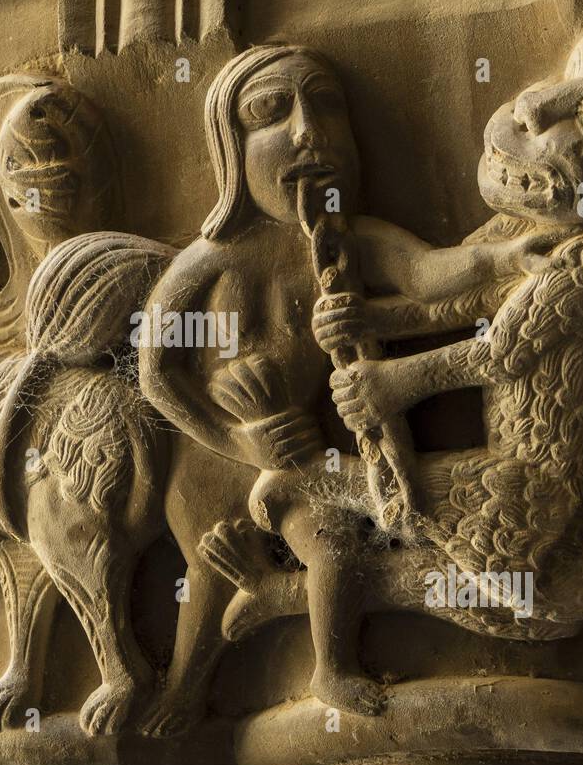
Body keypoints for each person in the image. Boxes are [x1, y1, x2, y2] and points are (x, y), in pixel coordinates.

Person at [140, 44, 557, 714]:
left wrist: (502, 256)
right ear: (228, 149)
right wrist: (235, 439)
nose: (309, 130)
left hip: (305, 461)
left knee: (335, 548)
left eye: (326, 106)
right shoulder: (212, 260)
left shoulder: (347, 240)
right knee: (202, 577)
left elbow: (425, 272)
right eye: (271, 112)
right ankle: (184, 688)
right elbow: (155, 370)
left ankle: (329, 670)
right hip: (216, 462)